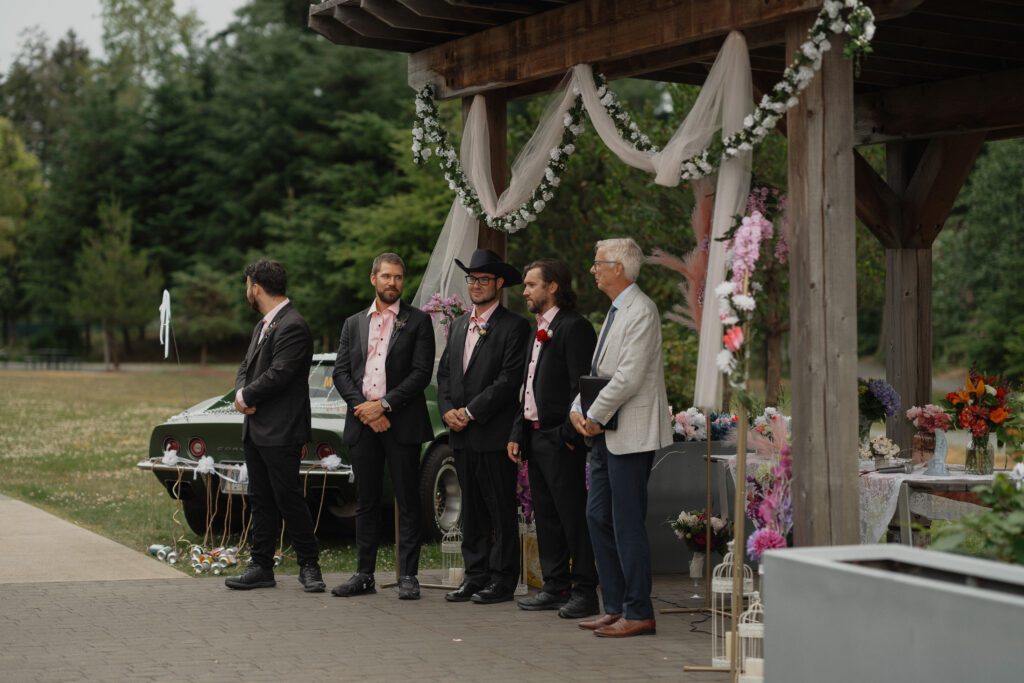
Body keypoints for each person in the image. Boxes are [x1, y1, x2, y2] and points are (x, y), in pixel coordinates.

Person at [571, 238, 672, 637]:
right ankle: (614, 605)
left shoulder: (641, 311)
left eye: (599, 263)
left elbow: (627, 377)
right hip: (604, 433)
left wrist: (593, 416)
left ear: (620, 268)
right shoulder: (616, 310)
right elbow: (598, 372)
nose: (593, 269)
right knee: (598, 516)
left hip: (629, 434)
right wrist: (577, 411)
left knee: (626, 522)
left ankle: (639, 611)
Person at [330, 253, 436, 601]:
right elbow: (342, 372)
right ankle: (364, 574)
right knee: (366, 500)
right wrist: (364, 410)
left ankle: (408, 575)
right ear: (373, 279)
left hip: (401, 421)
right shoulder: (352, 323)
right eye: (387, 276)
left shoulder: (418, 322)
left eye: (399, 278)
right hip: (363, 423)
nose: (393, 283)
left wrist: (384, 405)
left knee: (407, 499)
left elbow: (421, 374)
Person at [226, 259, 326, 593]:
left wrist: (248, 395)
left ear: (255, 286)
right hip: (256, 426)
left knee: (288, 498)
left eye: (247, 285)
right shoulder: (263, 325)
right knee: (260, 498)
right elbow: (246, 366)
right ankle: (261, 566)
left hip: (282, 429)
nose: (247, 291)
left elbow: (280, 373)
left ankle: (310, 565)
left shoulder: (292, 325)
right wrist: (242, 393)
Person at [507, 259, 599, 619]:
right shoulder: (538, 329)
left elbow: (583, 386)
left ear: (553, 287)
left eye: (531, 285)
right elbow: (527, 388)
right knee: (545, 517)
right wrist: (519, 430)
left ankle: (585, 590)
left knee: (571, 517)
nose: (525, 291)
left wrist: (565, 435)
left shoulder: (575, 328)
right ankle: (555, 585)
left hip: (562, 438)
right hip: (534, 435)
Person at [437, 248, 529, 605]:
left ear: (499, 283)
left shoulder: (514, 326)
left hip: (492, 434)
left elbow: (508, 381)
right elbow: (445, 373)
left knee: (499, 509)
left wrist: (471, 411)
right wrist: (447, 410)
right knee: (470, 508)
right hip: (460, 435)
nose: (476, 285)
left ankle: (503, 579)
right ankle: (474, 576)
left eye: (484, 279)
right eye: (472, 279)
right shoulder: (459, 324)